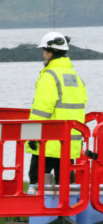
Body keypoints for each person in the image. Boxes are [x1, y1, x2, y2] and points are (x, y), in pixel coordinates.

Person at [25, 32, 87, 185]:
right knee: (66, 186)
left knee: (37, 181)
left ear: (50, 52)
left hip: (48, 142)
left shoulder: (49, 76)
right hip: (69, 142)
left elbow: (42, 109)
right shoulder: (75, 77)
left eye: (44, 51)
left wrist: (33, 135)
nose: (43, 54)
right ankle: (68, 208)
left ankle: (43, 208)